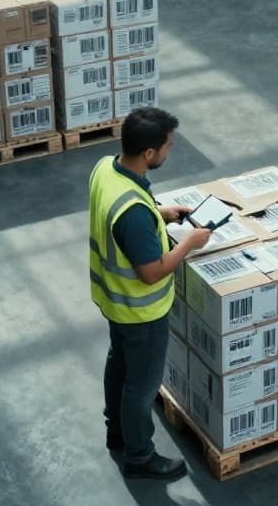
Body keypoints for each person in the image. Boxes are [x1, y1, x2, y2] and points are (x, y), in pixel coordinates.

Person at [89, 106, 211, 480]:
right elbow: (151, 272)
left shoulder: (105, 169)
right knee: (142, 389)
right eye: (168, 146)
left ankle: (116, 431)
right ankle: (140, 456)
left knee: (118, 364)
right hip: (141, 313)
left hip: (112, 301)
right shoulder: (133, 213)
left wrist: (160, 212)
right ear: (149, 154)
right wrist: (189, 243)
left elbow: (128, 214)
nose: (169, 151)